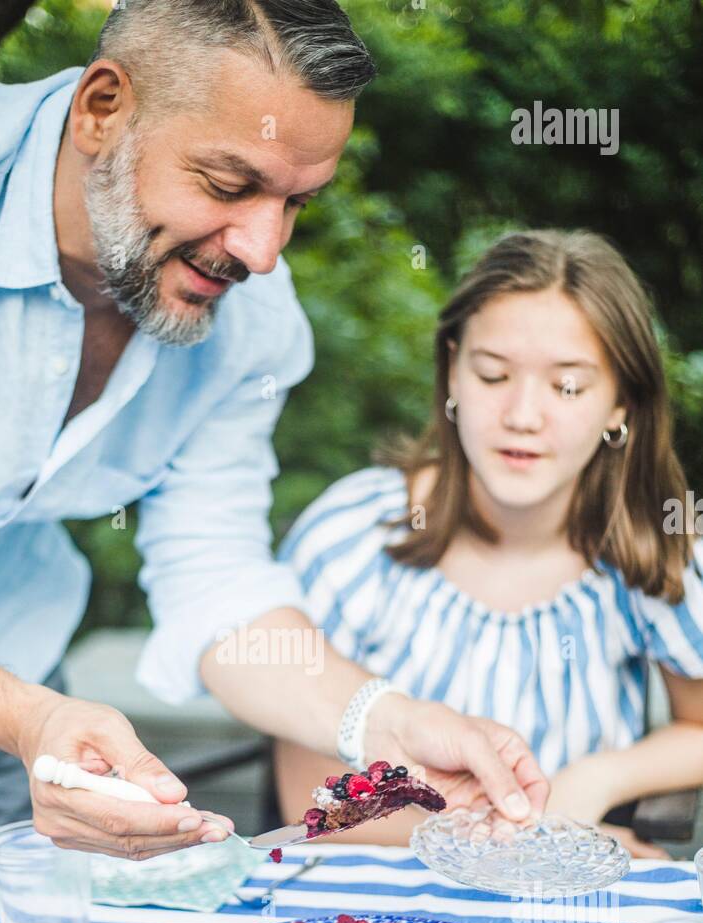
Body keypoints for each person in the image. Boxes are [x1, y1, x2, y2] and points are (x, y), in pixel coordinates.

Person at [0, 0, 547, 860]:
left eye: (297, 204)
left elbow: (216, 582)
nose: (261, 250)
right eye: (229, 184)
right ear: (104, 108)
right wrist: (31, 719)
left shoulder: (254, 323)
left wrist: (387, 722)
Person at [276, 229, 703, 858]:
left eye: (568, 386)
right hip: (382, 916)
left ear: (622, 405)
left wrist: (597, 779)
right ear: (453, 370)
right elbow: (311, 803)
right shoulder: (352, 538)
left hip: (556, 906)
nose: (523, 415)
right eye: (494, 374)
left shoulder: (656, 546)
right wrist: (532, 838)